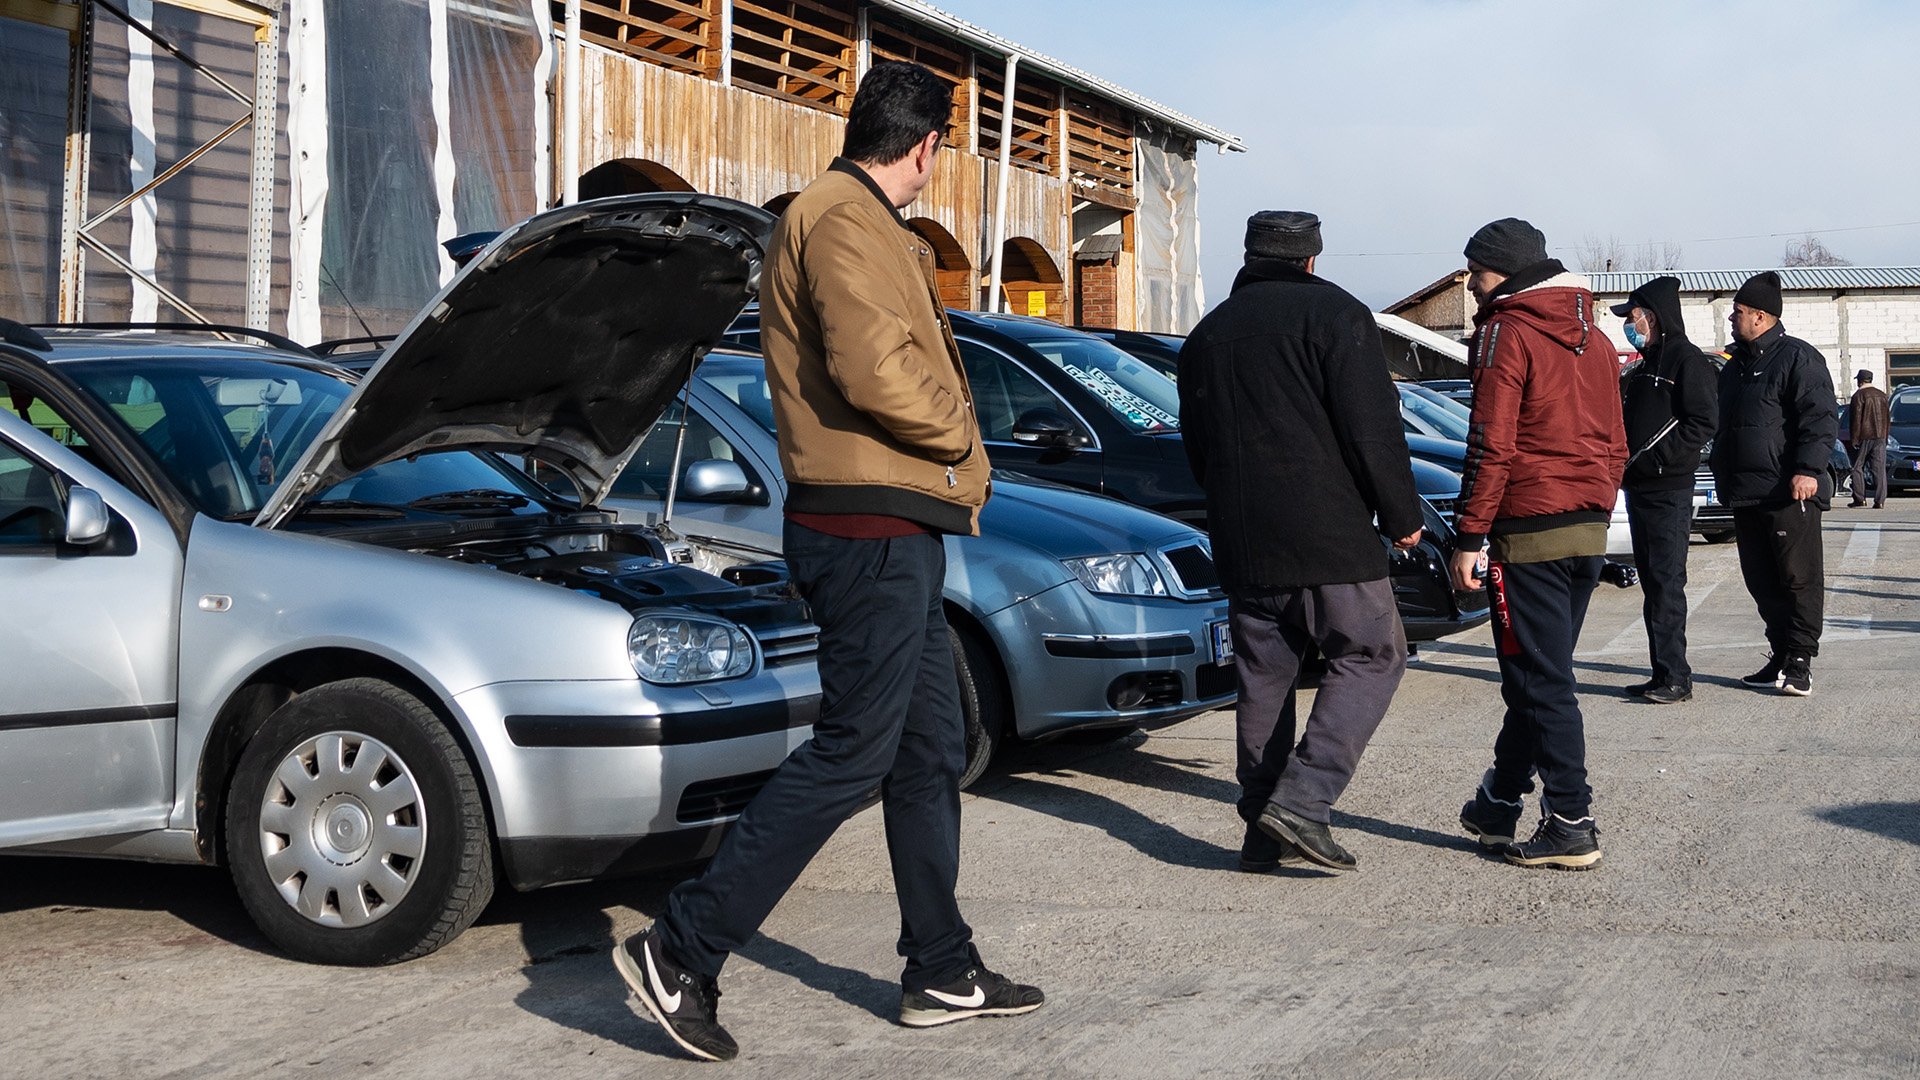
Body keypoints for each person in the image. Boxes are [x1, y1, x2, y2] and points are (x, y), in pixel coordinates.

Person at [612, 61, 1041, 1063]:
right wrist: (963, 445)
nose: (942, 163)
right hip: (867, 529)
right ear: (927, 143)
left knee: (930, 748)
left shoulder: (849, 216)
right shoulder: (843, 216)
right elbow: (872, 366)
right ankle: (683, 947)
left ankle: (940, 965)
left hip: (887, 528)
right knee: (855, 750)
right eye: (944, 147)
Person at [1177, 211, 1426, 874]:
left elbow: (1197, 449)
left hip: (1244, 544)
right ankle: (1304, 802)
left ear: (1251, 256)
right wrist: (1402, 515)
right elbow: (1372, 431)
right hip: (1329, 537)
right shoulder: (1337, 316)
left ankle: (1262, 833)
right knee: (1374, 654)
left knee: (1265, 681)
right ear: (1312, 260)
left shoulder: (1207, 335)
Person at [1449, 218, 1626, 871]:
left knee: (1543, 680)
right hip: (1587, 527)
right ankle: (1497, 803)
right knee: (1539, 673)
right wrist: (1600, 502)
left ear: (1505, 271)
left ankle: (1571, 821)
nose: (1470, 285)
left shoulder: (1506, 331)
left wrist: (1470, 534)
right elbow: (1617, 441)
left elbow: (1490, 444)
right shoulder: (1597, 339)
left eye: (1476, 272)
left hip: (1530, 531)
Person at [1709, 270, 1838, 697]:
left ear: (1762, 317)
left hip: (1788, 491)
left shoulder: (1797, 358)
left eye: (1739, 312)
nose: (1732, 318)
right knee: (1761, 581)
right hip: (1746, 494)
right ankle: (1780, 654)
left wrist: (1808, 468)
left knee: (1798, 579)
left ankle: (1800, 662)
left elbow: (1819, 419)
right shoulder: (1735, 368)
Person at [1614, 276, 1718, 704]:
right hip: (1639, 489)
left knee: (1667, 583)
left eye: (1632, 317)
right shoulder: (1643, 365)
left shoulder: (1686, 360)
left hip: (1668, 489)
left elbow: (1702, 422)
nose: (1628, 325)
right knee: (1653, 583)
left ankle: (1677, 676)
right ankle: (1662, 672)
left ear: (1651, 317)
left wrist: (1658, 459)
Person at [1847, 368, 1890, 509]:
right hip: (1880, 436)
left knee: (1857, 467)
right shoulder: (1882, 395)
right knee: (1879, 468)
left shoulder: (1858, 396)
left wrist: (1854, 439)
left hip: (1864, 435)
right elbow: (1888, 419)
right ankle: (1880, 500)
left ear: (1860, 381)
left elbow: (1856, 419)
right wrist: (1885, 436)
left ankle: (1860, 498)